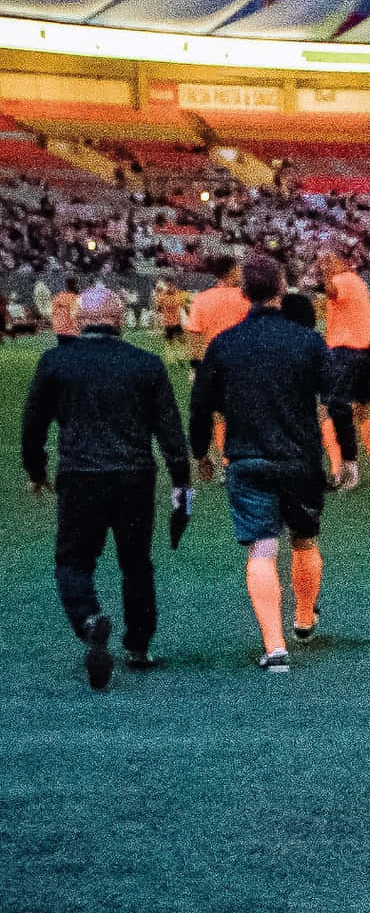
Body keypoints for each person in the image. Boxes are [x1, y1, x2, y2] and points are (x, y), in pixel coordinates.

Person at [21, 284, 191, 689]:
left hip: (80, 476)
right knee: (136, 563)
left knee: (73, 561)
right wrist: (181, 481)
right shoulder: (146, 364)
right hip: (134, 475)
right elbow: (169, 429)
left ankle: (90, 619)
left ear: (80, 321)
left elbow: (33, 427)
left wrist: (37, 472)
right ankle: (138, 645)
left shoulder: (56, 362)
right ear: (120, 320)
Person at [189, 255, 330, 672]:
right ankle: (304, 619)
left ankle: (275, 646)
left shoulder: (224, 345)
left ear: (244, 293)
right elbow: (334, 399)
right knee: (304, 539)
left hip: (247, 458)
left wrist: (201, 454)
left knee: (263, 548)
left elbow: (200, 408)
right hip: (300, 458)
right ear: (282, 289)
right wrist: (350, 456)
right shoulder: (307, 341)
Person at [317, 252, 370, 490]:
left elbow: (332, 292)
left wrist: (325, 273)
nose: (327, 264)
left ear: (343, 263)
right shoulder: (359, 283)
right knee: (364, 411)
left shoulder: (342, 280)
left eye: (331, 260)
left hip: (344, 353)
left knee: (327, 410)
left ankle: (339, 470)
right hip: (367, 353)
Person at [185, 255, 247, 473]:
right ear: (231, 272)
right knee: (240, 414)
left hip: (212, 365)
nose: (241, 273)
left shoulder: (202, 298)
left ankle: (224, 462)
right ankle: (239, 459)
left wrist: (195, 365)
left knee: (215, 414)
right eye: (238, 269)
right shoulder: (244, 297)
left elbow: (194, 334)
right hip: (241, 364)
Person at [49, 274, 80, 339]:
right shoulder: (75, 298)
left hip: (58, 329)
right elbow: (74, 315)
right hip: (71, 332)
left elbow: (52, 312)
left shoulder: (58, 296)